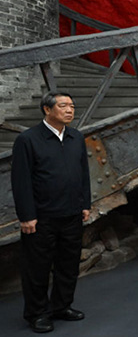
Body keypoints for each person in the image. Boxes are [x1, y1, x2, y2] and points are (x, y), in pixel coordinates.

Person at [11, 92, 91, 333]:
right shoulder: (28, 139)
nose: (69, 110)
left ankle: (61, 306)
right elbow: (21, 180)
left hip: (72, 213)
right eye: (63, 105)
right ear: (47, 109)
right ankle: (37, 314)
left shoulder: (76, 137)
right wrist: (27, 216)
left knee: (68, 265)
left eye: (72, 106)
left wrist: (85, 203)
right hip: (41, 217)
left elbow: (83, 173)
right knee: (37, 268)